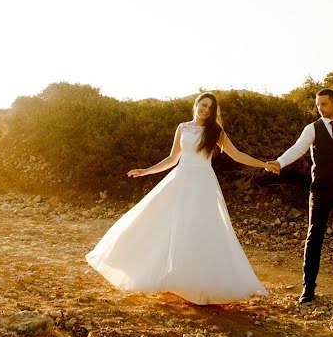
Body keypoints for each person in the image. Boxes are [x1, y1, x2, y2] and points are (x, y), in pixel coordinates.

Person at [86, 92, 269, 305]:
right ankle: (172, 278)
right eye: (203, 105)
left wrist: (263, 164)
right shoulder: (183, 127)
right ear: (196, 104)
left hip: (203, 183)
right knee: (166, 223)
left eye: (210, 107)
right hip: (181, 179)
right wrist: (146, 171)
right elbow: (173, 159)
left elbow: (236, 155)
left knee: (199, 229)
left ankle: (198, 285)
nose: (205, 110)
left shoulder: (215, 131)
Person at [264, 88, 333, 304]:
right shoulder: (312, 128)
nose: (320, 108)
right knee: (315, 235)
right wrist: (279, 162)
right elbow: (297, 148)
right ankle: (308, 288)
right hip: (322, 187)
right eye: (318, 105)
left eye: (324, 104)